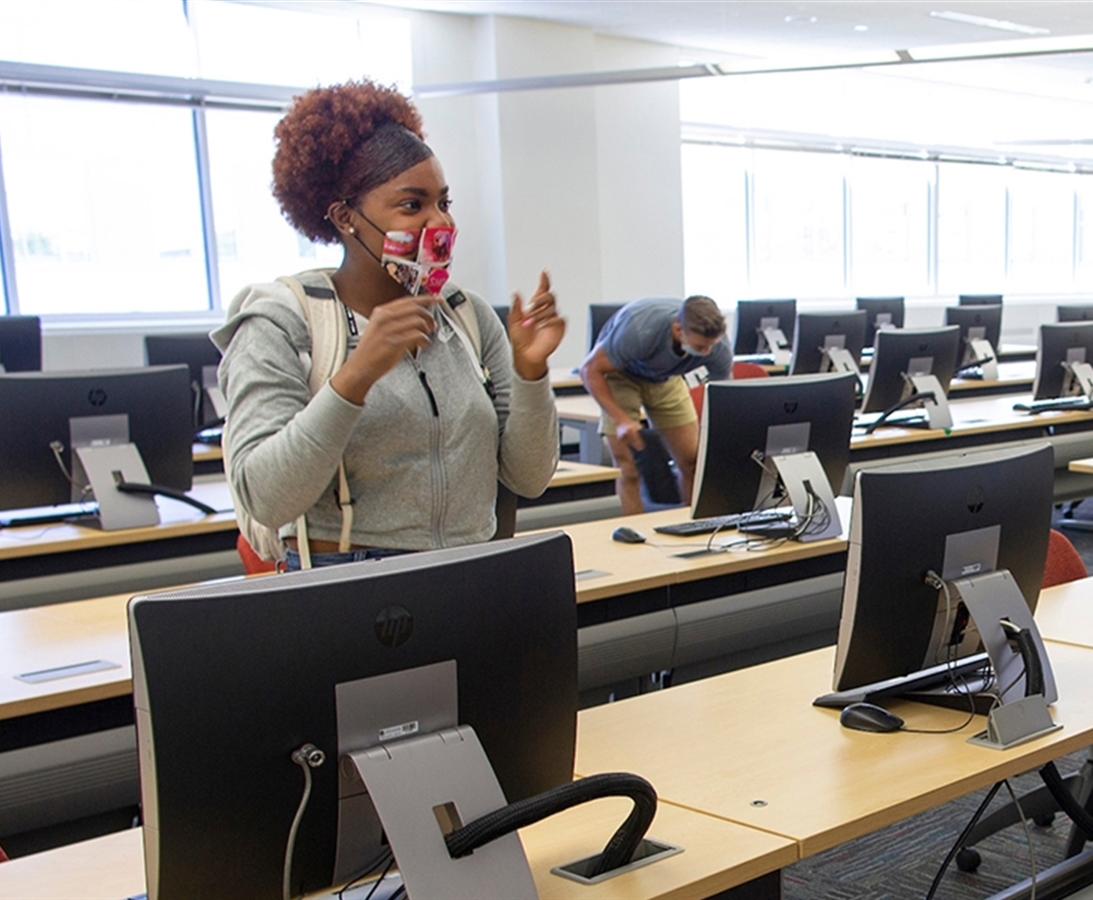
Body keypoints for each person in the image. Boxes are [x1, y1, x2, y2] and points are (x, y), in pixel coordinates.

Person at [213, 80, 565, 569]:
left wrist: (529, 372)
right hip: (351, 588)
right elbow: (267, 498)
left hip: (471, 573)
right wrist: (357, 375)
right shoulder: (281, 322)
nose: (437, 222)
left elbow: (529, 479)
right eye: (411, 205)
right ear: (344, 217)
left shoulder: (467, 316)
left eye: (444, 202)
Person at [577, 296, 732, 514]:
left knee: (693, 461)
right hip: (620, 374)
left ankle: (691, 528)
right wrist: (621, 420)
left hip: (666, 378)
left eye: (710, 346)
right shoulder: (639, 330)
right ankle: (632, 540)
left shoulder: (718, 346)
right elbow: (589, 370)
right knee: (628, 468)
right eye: (700, 346)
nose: (706, 353)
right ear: (679, 330)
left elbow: (722, 398)